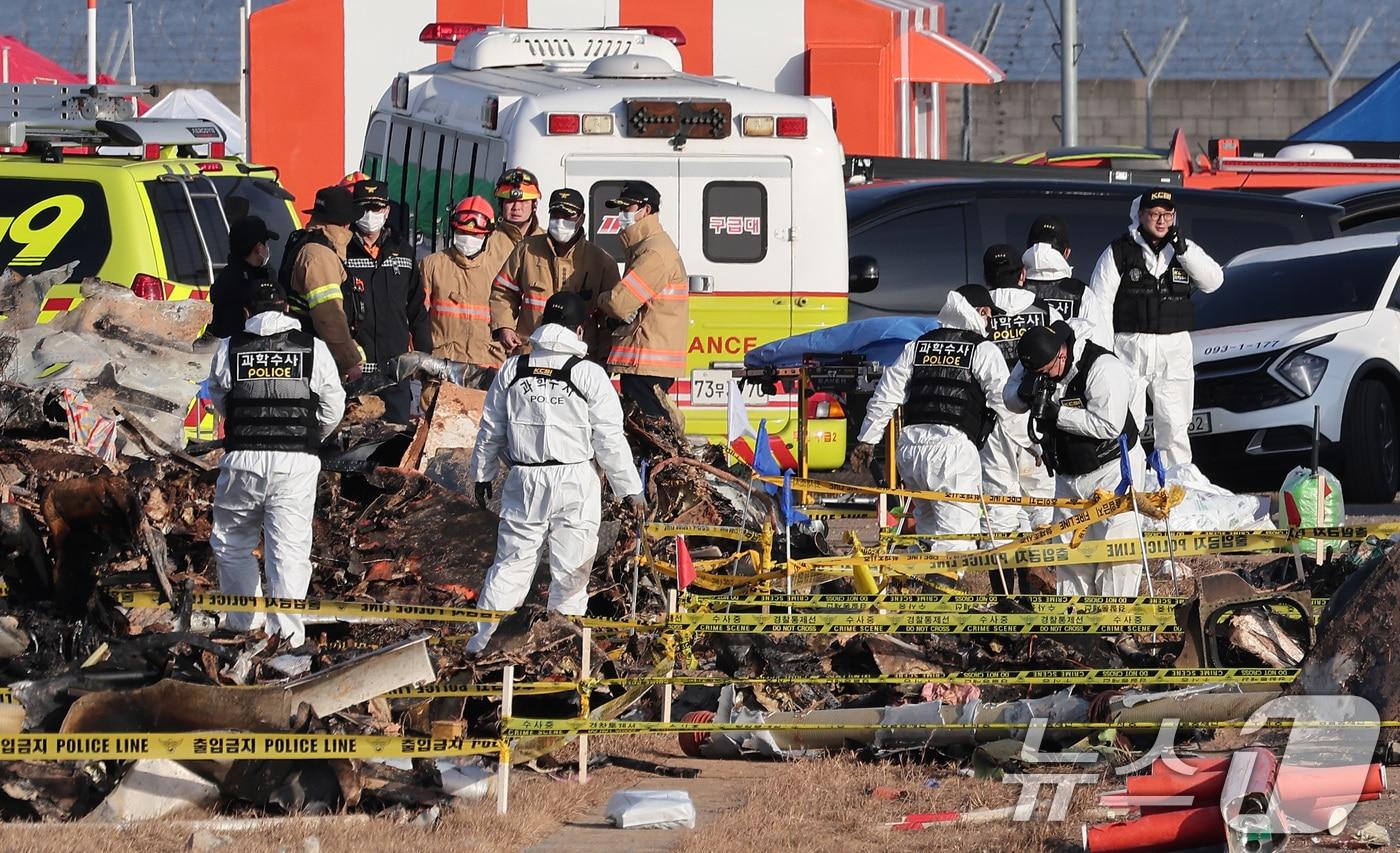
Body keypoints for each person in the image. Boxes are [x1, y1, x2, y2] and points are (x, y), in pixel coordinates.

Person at [465, 293, 644, 654]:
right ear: (579, 330)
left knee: (511, 564)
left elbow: (490, 430)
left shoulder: (512, 370)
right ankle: (559, 652)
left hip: (524, 479)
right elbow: (608, 439)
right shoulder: (589, 374)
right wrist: (631, 490)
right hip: (575, 480)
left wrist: (481, 477)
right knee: (571, 574)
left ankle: (482, 645)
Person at [207, 279, 345, 648]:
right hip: (295, 463)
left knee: (232, 542)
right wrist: (309, 435)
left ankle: (242, 625)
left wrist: (245, 426)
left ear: (247, 313)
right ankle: (287, 637)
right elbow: (333, 407)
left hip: (243, 461)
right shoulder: (313, 349)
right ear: (287, 309)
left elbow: (218, 397)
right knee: (289, 550)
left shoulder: (228, 349)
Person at [848, 285, 1010, 552]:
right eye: (989, 316)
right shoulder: (982, 350)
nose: (990, 323)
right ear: (980, 312)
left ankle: (913, 588)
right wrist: (1031, 444)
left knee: (925, 535)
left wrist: (867, 439)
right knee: (956, 545)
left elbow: (886, 393)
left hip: (911, 452)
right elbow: (1005, 402)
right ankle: (934, 588)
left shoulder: (918, 346)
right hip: (952, 453)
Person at [1088, 189, 1224, 471]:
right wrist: (1102, 351)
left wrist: (1184, 251)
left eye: (1167, 214)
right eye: (1154, 214)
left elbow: (1214, 281)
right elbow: (1099, 302)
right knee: (1127, 421)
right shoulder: (1119, 251)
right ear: (1140, 215)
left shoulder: (1184, 249)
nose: (1161, 221)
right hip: (1129, 347)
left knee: (1174, 424)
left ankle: (1175, 483)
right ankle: (1130, 482)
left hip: (1173, 348)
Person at [1006, 320, 1144, 596]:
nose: (1047, 378)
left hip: (1112, 468)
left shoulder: (1103, 368)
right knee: (1070, 551)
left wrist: (1057, 414)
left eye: (1047, 372)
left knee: (1114, 548)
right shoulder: (1034, 362)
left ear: (1062, 353)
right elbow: (1008, 397)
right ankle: (1076, 624)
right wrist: (1024, 394)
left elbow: (1108, 425)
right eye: (1037, 373)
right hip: (1067, 473)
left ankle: (1115, 625)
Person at [980, 244, 1061, 591]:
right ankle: (1036, 594)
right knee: (1040, 506)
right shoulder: (1046, 312)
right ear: (1023, 275)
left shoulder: (979, 312)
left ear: (985, 278)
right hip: (1036, 420)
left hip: (993, 424)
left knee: (998, 508)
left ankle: (1004, 599)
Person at [490, 188, 620, 359]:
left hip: (579, 357)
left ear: (581, 219)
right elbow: (503, 292)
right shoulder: (526, 249)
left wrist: (603, 359)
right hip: (531, 351)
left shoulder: (601, 261)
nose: (560, 221)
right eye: (556, 214)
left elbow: (608, 318)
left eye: (568, 216)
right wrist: (504, 326)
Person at [597, 181, 689, 420]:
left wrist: (600, 299)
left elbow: (619, 304)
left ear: (646, 210)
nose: (622, 215)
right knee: (648, 426)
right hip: (645, 357)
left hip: (646, 358)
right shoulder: (644, 246)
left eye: (627, 208)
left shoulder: (653, 253)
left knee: (650, 429)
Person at [344, 179, 431, 422]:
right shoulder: (341, 250)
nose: (370, 215)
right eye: (364, 208)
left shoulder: (403, 251)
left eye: (376, 208)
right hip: (355, 372)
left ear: (387, 211)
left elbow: (417, 311)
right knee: (354, 448)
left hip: (396, 373)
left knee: (395, 443)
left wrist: (425, 359)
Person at [421, 196, 512, 388]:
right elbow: (416, 318)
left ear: (488, 235)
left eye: (476, 234)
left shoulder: (501, 269)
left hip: (488, 369)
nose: (468, 238)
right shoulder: (432, 265)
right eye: (463, 232)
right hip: (443, 368)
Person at [284, 185, 364, 381]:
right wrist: (350, 361)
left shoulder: (304, 242)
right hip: (315, 360)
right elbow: (329, 317)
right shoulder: (319, 256)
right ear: (345, 224)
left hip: (305, 353)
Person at [1021, 215, 1110, 347]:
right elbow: (1101, 346)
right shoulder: (1081, 293)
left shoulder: (1013, 292)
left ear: (1027, 249)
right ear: (1067, 253)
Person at [210, 215, 278, 339]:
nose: (268, 247)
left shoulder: (226, 276)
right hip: (245, 348)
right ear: (259, 248)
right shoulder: (256, 282)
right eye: (266, 243)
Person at [493, 167, 544, 246]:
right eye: (510, 201)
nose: (516, 207)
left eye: (523, 201)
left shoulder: (547, 241)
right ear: (501, 204)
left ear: (534, 205)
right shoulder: (488, 240)